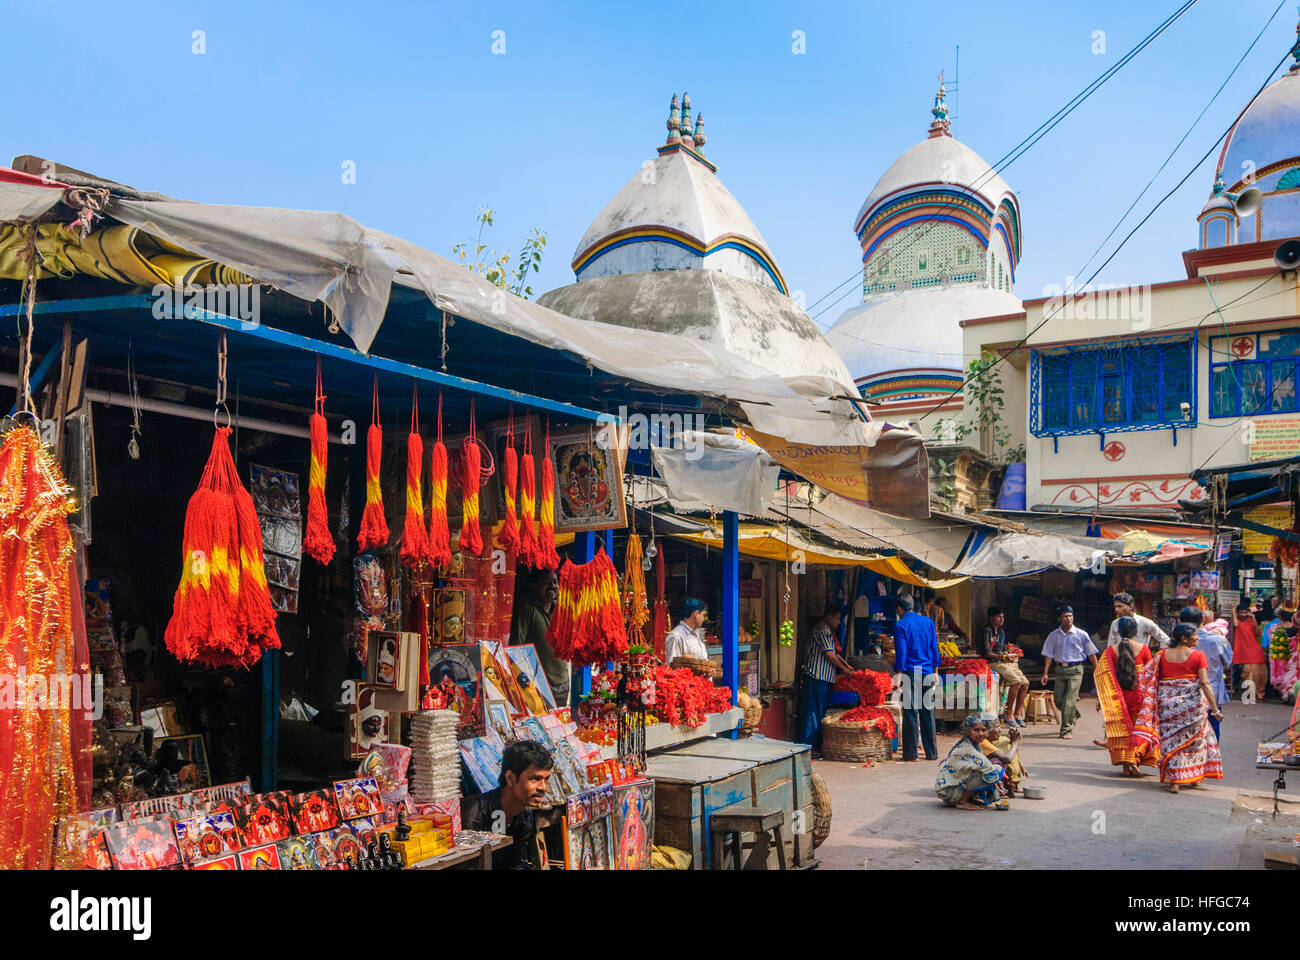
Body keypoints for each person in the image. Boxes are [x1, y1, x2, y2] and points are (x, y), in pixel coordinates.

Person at [1131, 623, 1223, 794]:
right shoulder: (1198, 655)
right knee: (1195, 741)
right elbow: (1204, 682)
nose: (1197, 637)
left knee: (1171, 742)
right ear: (1184, 638)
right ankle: (1193, 777)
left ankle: (1175, 782)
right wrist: (1215, 709)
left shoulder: (1162, 655)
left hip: (1167, 706)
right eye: (1195, 635)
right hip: (1193, 706)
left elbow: (1145, 675)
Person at [460, 740, 555, 869]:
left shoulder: (525, 816)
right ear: (510, 778)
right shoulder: (474, 812)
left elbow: (515, 864)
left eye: (546, 779)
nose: (543, 787)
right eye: (535, 779)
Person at [1092, 616, 1158, 777]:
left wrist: (1101, 699)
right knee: (1138, 731)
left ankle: (1126, 765)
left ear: (1117, 632)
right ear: (1136, 631)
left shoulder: (1109, 651)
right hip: (1138, 697)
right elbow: (1150, 674)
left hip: (1116, 698)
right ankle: (1133, 761)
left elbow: (1102, 676)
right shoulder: (1143, 649)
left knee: (1122, 730)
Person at [1040, 605, 1099, 739]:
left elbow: (1091, 652)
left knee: (1068, 701)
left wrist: (1097, 667)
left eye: (1070, 616)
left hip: (1076, 670)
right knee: (1058, 700)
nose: (1068, 619)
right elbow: (1049, 655)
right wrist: (1045, 673)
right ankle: (1073, 714)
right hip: (1060, 669)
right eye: (1065, 616)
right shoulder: (1053, 635)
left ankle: (1066, 730)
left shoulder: (1081, 634)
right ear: (1059, 619)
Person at [894, 593, 941, 762]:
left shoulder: (901, 625)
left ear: (899, 609)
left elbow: (901, 652)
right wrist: (936, 671)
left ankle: (911, 754)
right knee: (927, 711)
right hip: (928, 670)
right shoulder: (928, 622)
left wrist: (898, 674)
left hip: (910, 672)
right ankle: (931, 753)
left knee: (910, 711)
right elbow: (934, 647)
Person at [799, 605, 853, 752]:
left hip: (822, 678)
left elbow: (834, 654)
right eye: (837, 619)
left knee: (817, 712)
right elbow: (829, 654)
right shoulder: (823, 630)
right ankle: (809, 747)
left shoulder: (826, 631)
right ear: (829, 617)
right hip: (817, 677)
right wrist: (844, 669)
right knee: (813, 713)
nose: (838, 623)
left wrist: (845, 665)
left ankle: (813, 746)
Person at [510, 568, 569, 703]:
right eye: (545, 583)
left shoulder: (560, 609)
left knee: (559, 722)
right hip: (539, 683)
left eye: (554, 582)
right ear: (534, 586)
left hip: (562, 681)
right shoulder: (527, 608)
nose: (551, 587)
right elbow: (516, 646)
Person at [935, 715, 1005, 810]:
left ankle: (968, 799)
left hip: (949, 789)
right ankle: (962, 801)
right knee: (996, 770)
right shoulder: (968, 749)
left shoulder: (971, 743)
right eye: (976, 730)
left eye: (983, 730)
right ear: (968, 731)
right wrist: (997, 799)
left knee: (988, 771)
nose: (980, 733)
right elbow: (991, 772)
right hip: (949, 793)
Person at [976, 606, 1028, 726]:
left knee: (1025, 683)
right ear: (991, 618)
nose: (1001, 619)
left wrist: (1009, 654)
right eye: (999, 616)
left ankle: (1017, 714)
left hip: (1003, 661)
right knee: (1016, 681)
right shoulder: (986, 631)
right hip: (992, 662)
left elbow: (1003, 649)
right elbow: (986, 653)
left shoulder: (1001, 632)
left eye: (1003, 616)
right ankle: (1008, 713)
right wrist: (1004, 657)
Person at [1190, 608, 1232, 740]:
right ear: (1202, 619)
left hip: (1186, 695)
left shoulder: (1177, 642)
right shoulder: (1218, 640)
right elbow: (1228, 662)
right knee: (1213, 731)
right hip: (1213, 692)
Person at [979, 716, 1027, 796]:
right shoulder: (982, 741)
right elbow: (1007, 759)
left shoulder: (990, 740)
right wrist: (1015, 742)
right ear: (986, 730)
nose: (1000, 730)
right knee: (998, 763)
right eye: (997, 727)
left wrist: (1012, 741)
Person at [1231, 602, 1267, 699]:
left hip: (1254, 648)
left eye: (1245, 612)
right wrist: (1233, 611)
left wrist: (1254, 618)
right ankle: (1250, 692)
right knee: (1247, 671)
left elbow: (1258, 633)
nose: (1243, 614)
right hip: (1242, 649)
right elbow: (1235, 624)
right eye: (1241, 613)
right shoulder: (1236, 620)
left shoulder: (1251, 621)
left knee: (1259, 672)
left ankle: (1258, 693)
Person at [665, 598, 709, 663]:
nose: (704, 619)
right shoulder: (676, 636)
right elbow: (672, 666)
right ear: (696, 614)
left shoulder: (697, 632)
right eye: (703, 615)